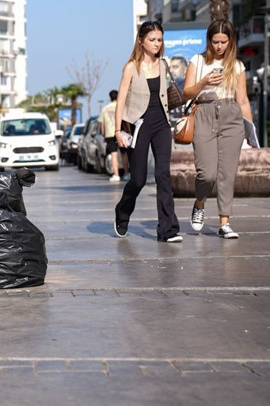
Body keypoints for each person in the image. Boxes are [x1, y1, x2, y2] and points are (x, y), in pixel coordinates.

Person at [181, 19, 255, 239]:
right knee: (207, 173)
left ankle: (225, 222)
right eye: (215, 41)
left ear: (230, 41)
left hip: (231, 116)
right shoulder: (198, 61)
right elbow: (186, 93)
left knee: (227, 174)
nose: (219, 46)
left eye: (224, 41)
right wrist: (204, 81)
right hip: (204, 113)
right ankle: (200, 203)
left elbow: (242, 100)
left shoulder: (238, 66)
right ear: (209, 40)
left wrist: (251, 131)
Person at [113, 21, 182, 242]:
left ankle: (168, 230)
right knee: (139, 179)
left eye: (159, 40)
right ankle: (122, 213)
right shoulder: (131, 67)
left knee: (163, 175)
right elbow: (121, 101)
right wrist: (117, 130)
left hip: (161, 124)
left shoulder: (163, 65)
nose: (156, 44)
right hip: (139, 125)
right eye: (152, 39)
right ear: (141, 41)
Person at [99, 90, 130, 182]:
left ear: (110, 98)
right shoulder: (121, 106)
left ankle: (116, 175)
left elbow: (102, 124)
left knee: (113, 155)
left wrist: (103, 134)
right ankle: (127, 173)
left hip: (109, 133)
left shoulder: (105, 109)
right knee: (124, 154)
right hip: (121, 133)